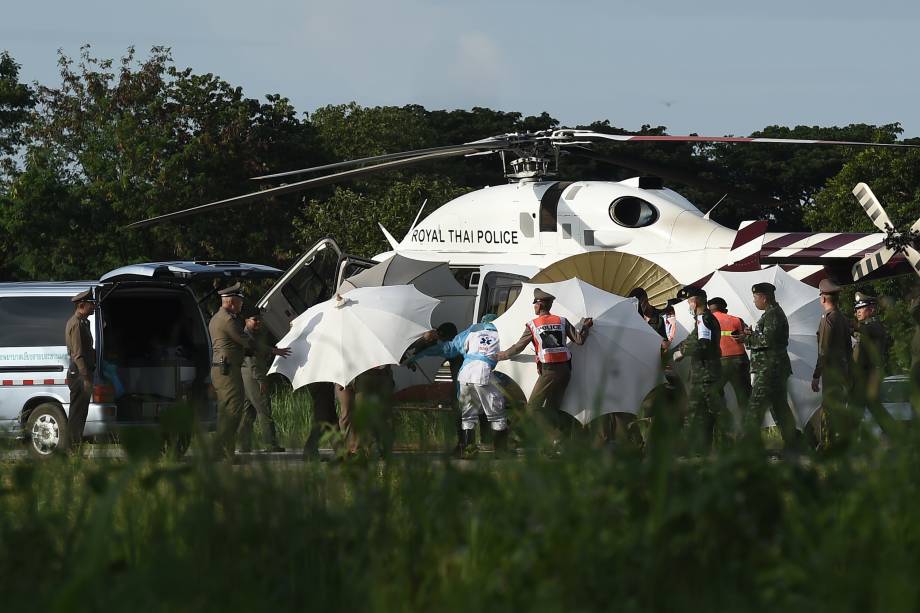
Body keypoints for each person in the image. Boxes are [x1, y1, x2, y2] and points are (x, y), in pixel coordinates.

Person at [496, 288, 593, 441]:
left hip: (550, 371)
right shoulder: (562, 321)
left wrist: (500, 355)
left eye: (535, 304)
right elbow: (579, 340)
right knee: (552, 409)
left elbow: (518, 347)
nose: (534, 306)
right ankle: (562, 441)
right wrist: (586, 327)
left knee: (533, 408)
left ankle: (557, 438)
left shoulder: (533, 325)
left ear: (540, 305)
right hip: (566, 371)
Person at [741, 282, 798, 449]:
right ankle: (793, 445)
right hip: (773, 368)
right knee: (780, 408)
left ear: (764, 298)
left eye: (755, 298)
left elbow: (769, 340)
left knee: (754, 408)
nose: (754, 301)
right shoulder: (770, 314)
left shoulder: (773, 315)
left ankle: (748, 449)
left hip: (769, 370)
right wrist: (752, 334)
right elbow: (768, 336)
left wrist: (747, 339)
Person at [671, 287, 724, 452]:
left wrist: (682, 352)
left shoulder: (703, 318)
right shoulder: (703, 319)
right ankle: (705, 448)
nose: (689, 305)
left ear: (696, 301)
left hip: (705, 375)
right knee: (708, 414)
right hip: (706, 373)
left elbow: (703, 343)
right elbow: (694, 338)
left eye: (689, 301)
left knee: (699, 412)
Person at [209, 284, 256, 460]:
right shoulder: (227, 320)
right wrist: (272, 350)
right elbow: (246, 342)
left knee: (226, 412)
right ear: (230, 301)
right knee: (234, 411)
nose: (242, 305)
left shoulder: (218, 317)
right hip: (227, 371)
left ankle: (227, 453)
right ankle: (217, 448)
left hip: (224, 370)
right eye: (240, 301)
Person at [237, 307, 290, 453]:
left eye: (259, 319)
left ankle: (243, 444)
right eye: (255, 320)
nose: (258, 322)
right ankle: (270, 444)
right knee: (264, 409)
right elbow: (252, 361)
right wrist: (261, 381)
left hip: (247, 376)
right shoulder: (247, 336)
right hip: (254, 376)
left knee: (249, 411)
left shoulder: (254, 335)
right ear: (246, 321)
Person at [455, 317, 510, 455]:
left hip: (465, 374)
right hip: (483, 375)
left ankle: (469, 450)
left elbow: (462, 348)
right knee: (497, 413)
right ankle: (501, 451)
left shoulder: (473, 333)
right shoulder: (501, 335)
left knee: (468, 414)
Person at [811, 278, 853, 452]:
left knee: (828, 408)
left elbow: (824, 350)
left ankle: (827, 445)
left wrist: (816, 374)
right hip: (842, 370)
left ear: (823, 298)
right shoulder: (842, 317)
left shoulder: (828, 318)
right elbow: (849, 347)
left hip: (831, 371)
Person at [851, 292, 896, 436]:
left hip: (868, 375)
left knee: (859, 407)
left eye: (862, 308)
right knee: (869, 407)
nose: (858, 312)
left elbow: (859, 330)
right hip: (864, 375)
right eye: (857, 309)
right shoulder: (866, 327)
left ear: (872, 310)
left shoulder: (874, 326)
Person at [707, 296, 752, 413]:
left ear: (709, 309)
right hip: (740, 360)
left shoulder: (706, 321)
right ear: (725, 309)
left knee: (714, 394)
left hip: (719, 362)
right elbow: (749, 335)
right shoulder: (737, 320)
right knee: (744, 396)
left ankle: (725, 423)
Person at [65, 289, 96, 452]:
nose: (93, 307)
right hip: (78, 373)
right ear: (81, 305)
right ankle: (72, 448)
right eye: (91, 304)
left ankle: (74, 446)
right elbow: (78, 355)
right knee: (77, 412)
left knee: (81, 411)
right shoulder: (76, 324)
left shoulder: (84, 322)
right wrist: (86, 378)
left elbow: (88, 348)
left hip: (82, 372)